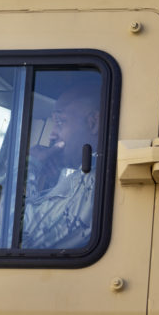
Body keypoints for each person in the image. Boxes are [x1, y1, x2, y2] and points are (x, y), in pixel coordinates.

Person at [20, 83, 101, 249]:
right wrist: (50, 183)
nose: (52, 134)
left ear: (93, 122)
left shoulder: (92, 182)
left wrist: (29, 167)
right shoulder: (84, 177)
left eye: (60, 122)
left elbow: (19, 235)